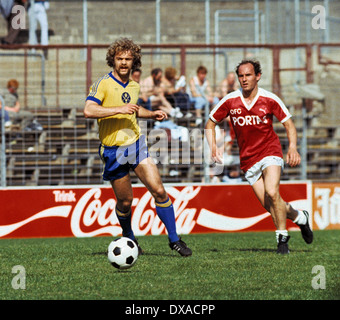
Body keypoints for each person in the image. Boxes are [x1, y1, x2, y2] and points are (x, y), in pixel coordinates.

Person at [84, 38, 192, 257]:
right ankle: (129, 237)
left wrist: (150, 113)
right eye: (119, 59)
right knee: (125, 202)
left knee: (159, 190)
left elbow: (133, 109)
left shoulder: (134, 85)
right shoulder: (102, 83)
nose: (124, 63)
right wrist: (118, 109)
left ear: (134, 61)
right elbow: (89, 110)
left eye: (128, 59)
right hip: (113, 150)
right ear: (112, 60)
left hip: (135, 145)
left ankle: (174, 240)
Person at [205, 59, 313, 254]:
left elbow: (289, 124)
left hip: (270, 151)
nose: (244, 79)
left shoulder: (269, 99)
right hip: (248, 159)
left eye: (248, 75)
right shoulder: (230, 100)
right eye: (241, 76)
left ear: (258, 76)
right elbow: (210, 123)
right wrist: (213, 147)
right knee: (271, 206)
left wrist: (293, 148)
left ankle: (282, 240)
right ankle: (300, 218)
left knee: (272, 192)